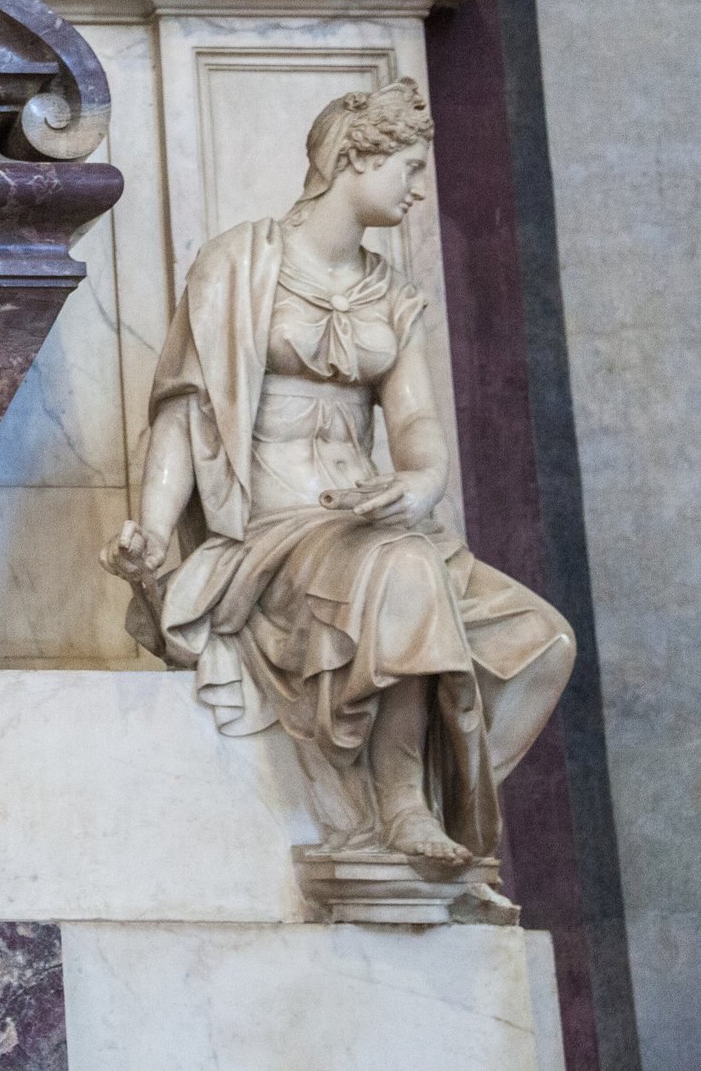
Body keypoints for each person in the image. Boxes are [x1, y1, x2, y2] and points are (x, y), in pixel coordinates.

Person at [106, 79, 573, 870]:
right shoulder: (238, 265)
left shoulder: (391, 291)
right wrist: (152, 535)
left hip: (375, 523)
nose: (421, 191)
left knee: (545, 643)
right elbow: (186, 415)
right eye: (411, 168)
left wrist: (422, 480)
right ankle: (399, 805)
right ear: (355, 158)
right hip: (276, 534)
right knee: (405, 566)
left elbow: (417, 424)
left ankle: (448, 797)